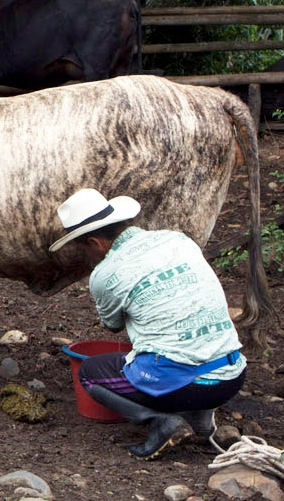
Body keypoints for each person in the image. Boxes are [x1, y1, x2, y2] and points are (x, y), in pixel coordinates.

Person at [50, 188, 246, 460]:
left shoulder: (105, 274)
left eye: (82, 247)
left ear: (96, 244)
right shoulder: (177, 240)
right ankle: (201, 425)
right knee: (190, 344)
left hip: (189, 388)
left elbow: (112, 325)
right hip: (232, 374)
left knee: (90, 373)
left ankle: (158, 422)